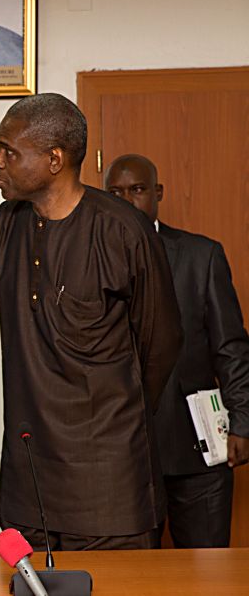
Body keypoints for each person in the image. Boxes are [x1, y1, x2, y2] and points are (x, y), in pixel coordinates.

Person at [0, 93, 183, 550]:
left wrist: (115, 419)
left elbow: (161, 343)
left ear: (54, 159)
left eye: (10, 151)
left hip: (111, 488)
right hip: (29, 482)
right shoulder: (5, 224)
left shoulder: (123, 230)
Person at [105, 154, 249, 547]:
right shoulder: (93, 258)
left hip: (197, 450)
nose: (126, 199)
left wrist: (242, 422)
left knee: (209, 576)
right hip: (122, 457)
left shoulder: (201, 256)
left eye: (137, 190)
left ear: (158, 193)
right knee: (130, 580)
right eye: (114, 192)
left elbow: (230, 347)